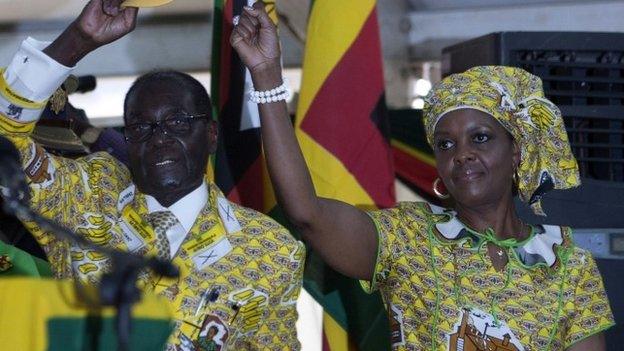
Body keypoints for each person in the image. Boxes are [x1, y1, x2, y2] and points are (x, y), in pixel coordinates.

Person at [231, 3, 614, 351]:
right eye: (446, 145)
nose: (462, 153)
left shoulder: (567, 263)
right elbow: (306, 212)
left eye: (480, 138)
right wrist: (267, 76)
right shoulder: (407, 238)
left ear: (515, 152)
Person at [0, 1, 304, 349]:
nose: (160, 139)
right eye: (142, 126)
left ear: (211, 135)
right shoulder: (87, 196)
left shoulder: (271, 250)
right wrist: (78, 40)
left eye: (177, 122)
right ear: (127, 138)